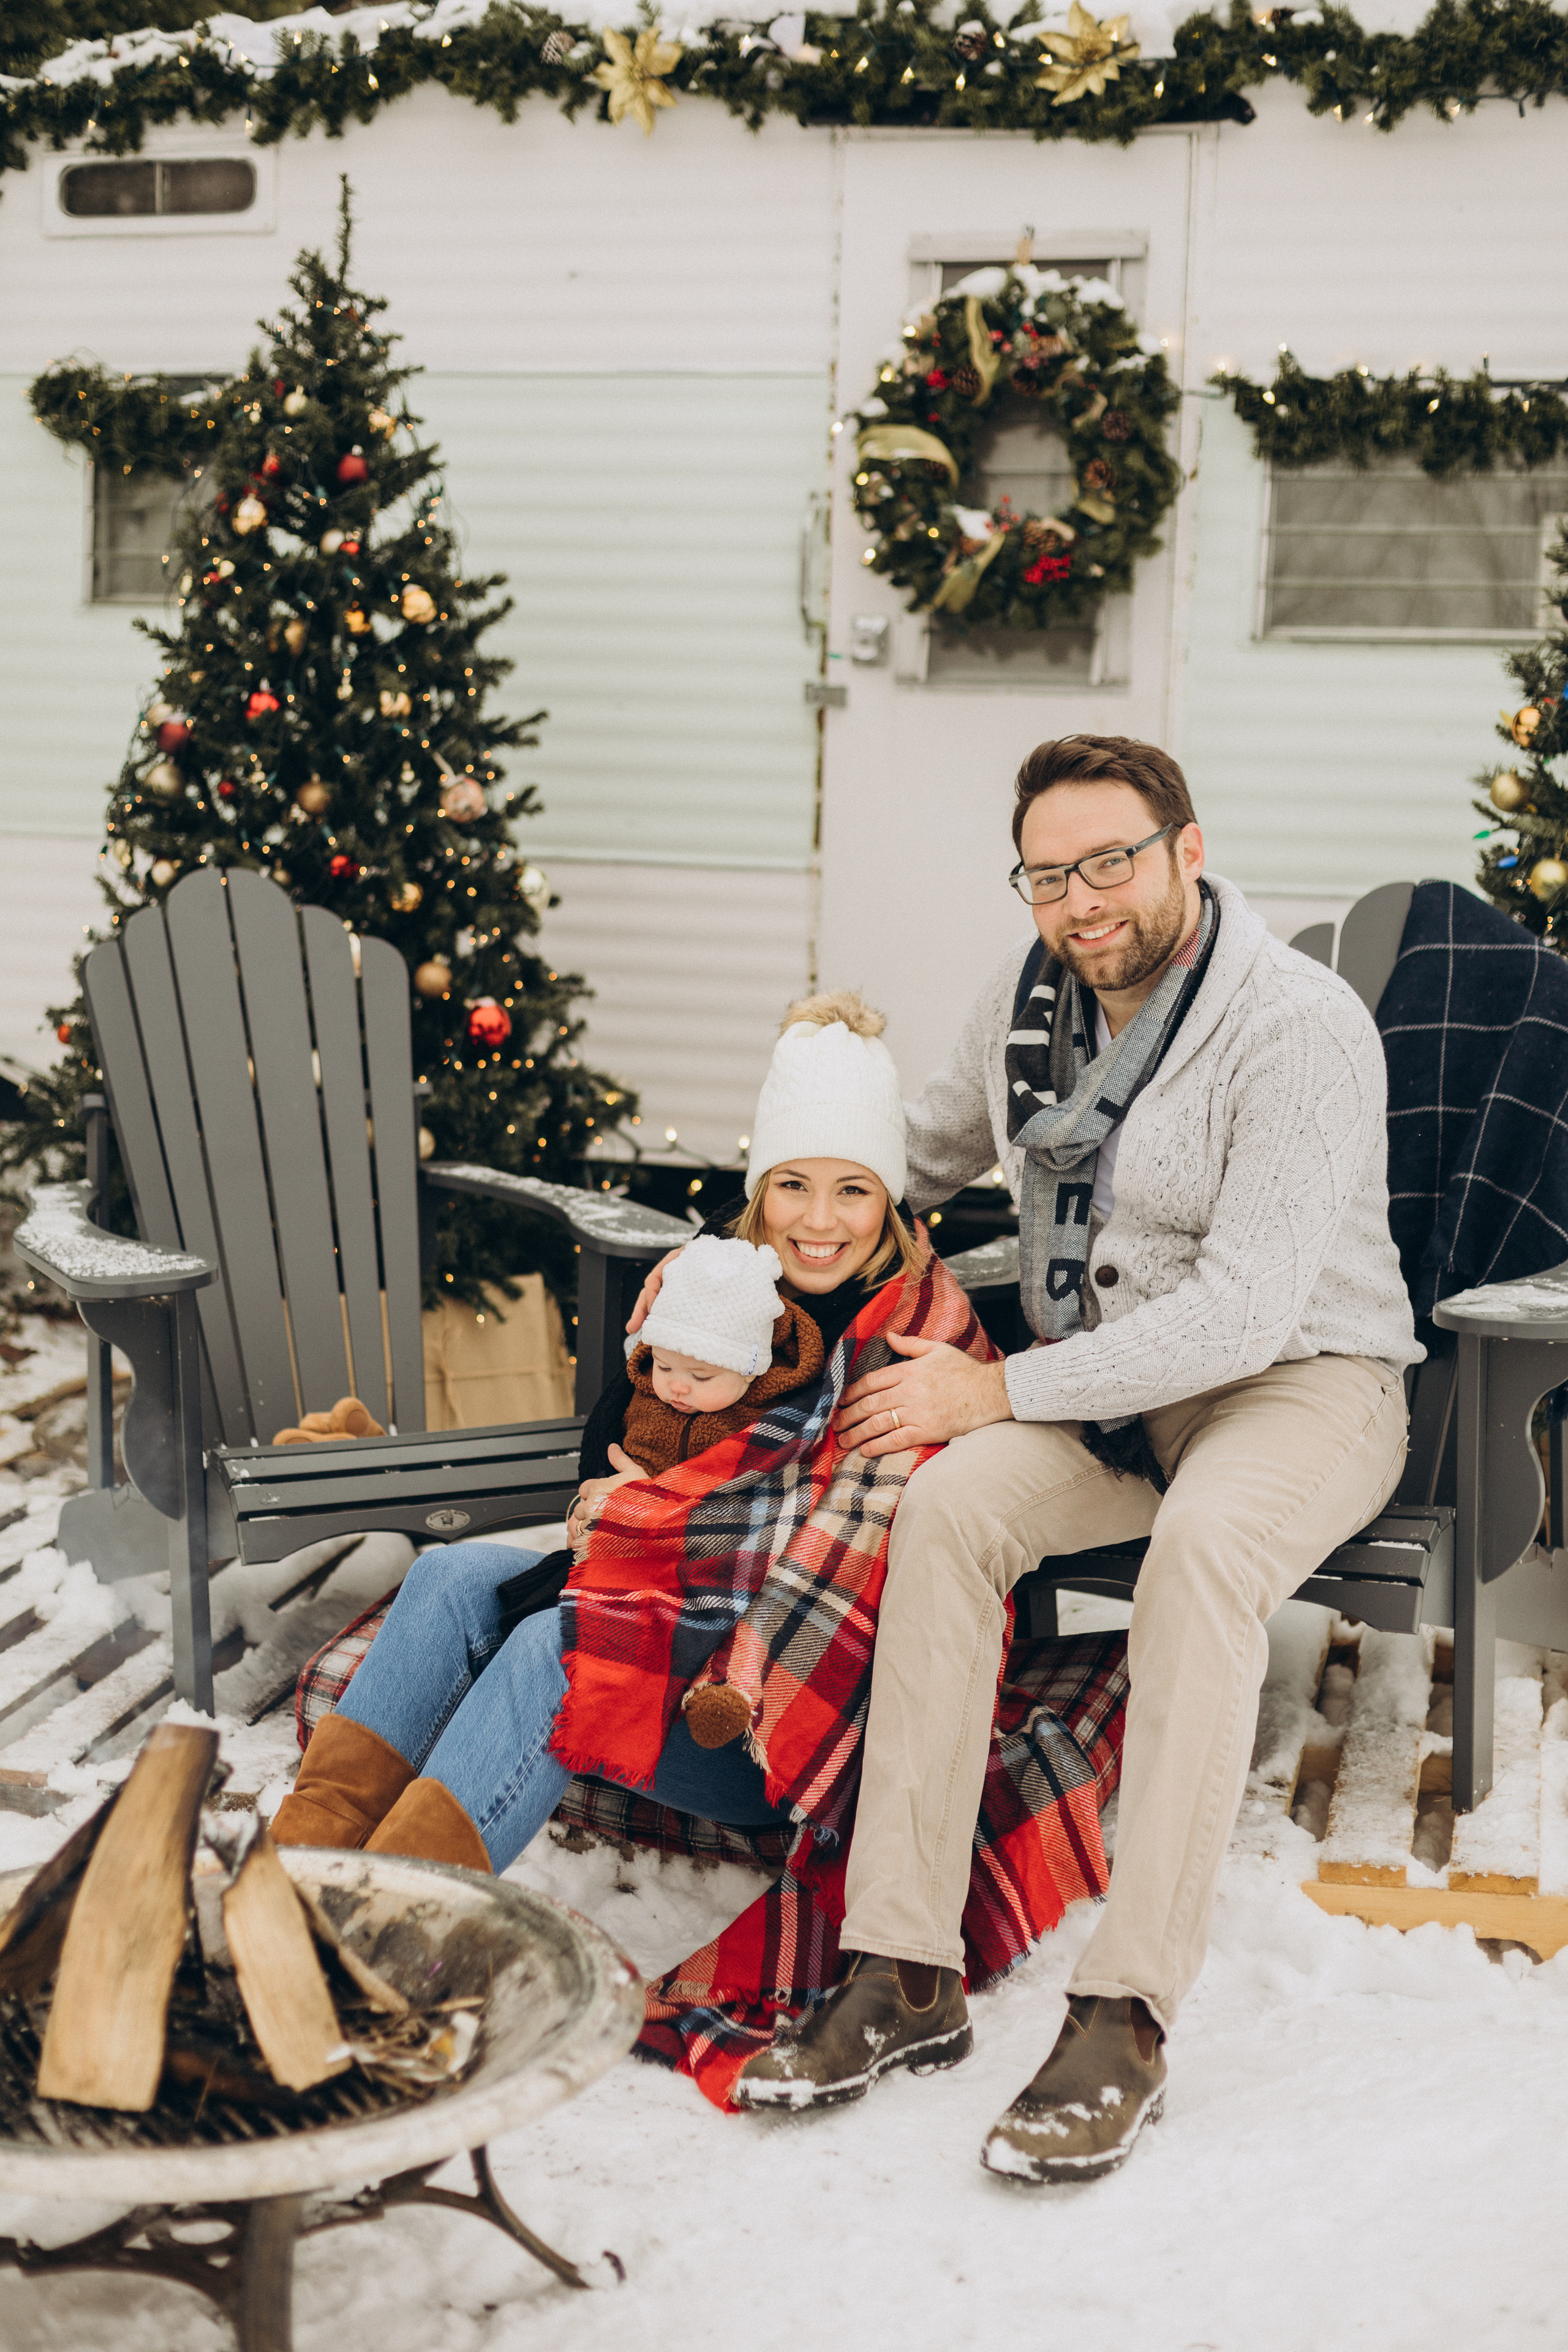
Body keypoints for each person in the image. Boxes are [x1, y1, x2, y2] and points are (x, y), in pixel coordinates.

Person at [728, 734, 1418, 2183]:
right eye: (1047, 874)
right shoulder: (1029, 998)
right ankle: (900, 1970)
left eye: (1109, 860)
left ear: (1185, 848)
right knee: (945, 1506)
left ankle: (1124, 2009)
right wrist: (767, 1246)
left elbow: (1245, 1308)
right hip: (1108, 1394)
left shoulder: (1292, 1026)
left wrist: (996, 1391)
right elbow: (916, 1154)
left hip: (1299, 1382)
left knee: (1202, 1554)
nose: (1080, 899)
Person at [271, 991, 932, 1877]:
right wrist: (615, 1501)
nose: (819, 1222)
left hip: (760, 1707)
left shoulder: (906, 1335)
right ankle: (296, 1863)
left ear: (886, 1198)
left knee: (564, 1641)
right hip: (658, 1604)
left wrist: (656, 1519)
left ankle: (397, 1909)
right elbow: (617, 1427)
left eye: (852, 1189)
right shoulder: (721, 1272)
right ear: (761, 1190)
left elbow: (837, 1557)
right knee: (449, 1572)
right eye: (792, 1186)